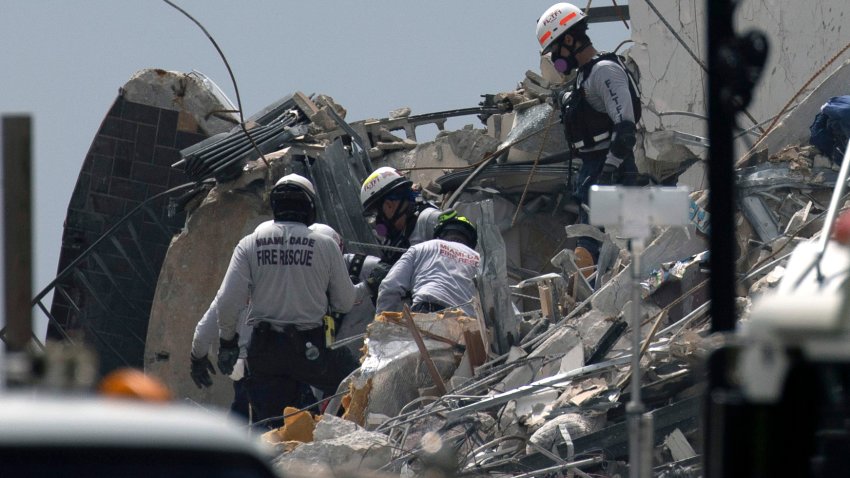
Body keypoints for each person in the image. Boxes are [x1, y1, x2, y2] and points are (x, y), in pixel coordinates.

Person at [199, 173, 356, 425]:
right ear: (310, 208)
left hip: (265, 352)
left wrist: (228, 342)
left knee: (272, 428)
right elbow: (345, 302)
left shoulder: (249, 244)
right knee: (357, 382)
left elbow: (228, 301)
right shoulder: (326, 245)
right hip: (311, 352)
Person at [536, 3, 642, 275]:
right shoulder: (584, 77)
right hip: (591, 169)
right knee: (590, 243)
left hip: (611, 168)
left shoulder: (605, 71)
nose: (556, 59)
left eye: (556, 49)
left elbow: (625, 127)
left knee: (604, 245)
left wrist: (609, 169)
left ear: (570, 40)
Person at [376, 211, 481, 317]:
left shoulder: (423, 247)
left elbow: (390, 286)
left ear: (440, 233)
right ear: (470, 240)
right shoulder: (479, 260)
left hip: (428, 310)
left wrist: (382, 324)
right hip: (467, 323)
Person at [360, 166, 443, 264]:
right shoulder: (395, 241)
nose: (378, 219)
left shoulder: (428, 219)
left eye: (377, 213)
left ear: (389, 205)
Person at [189, 299, 252, 420]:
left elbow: (203, 333)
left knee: (242, 416)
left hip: (246, 367)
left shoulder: (230, 293)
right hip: (285, 364)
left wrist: (197, 358)